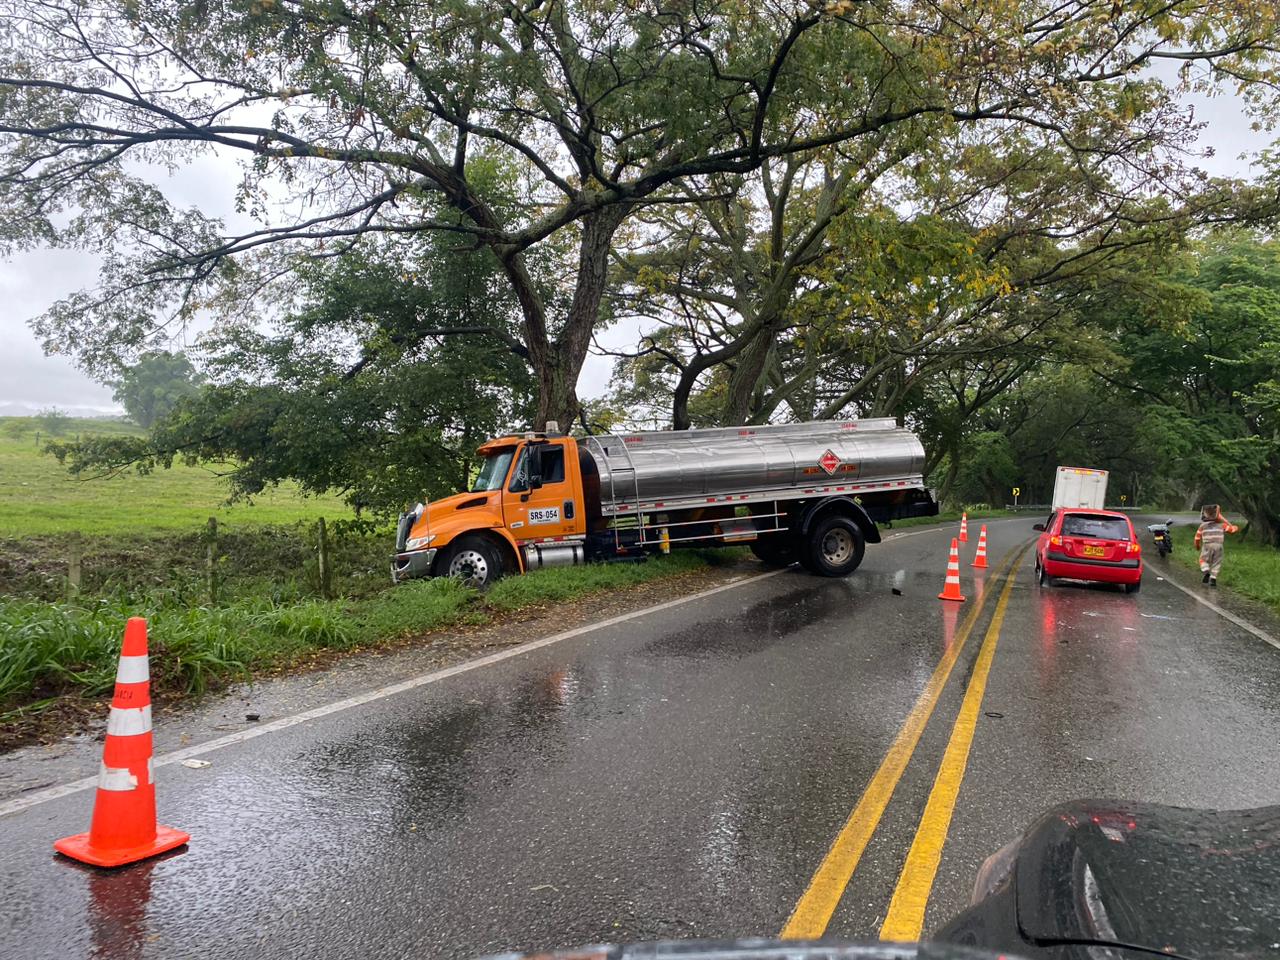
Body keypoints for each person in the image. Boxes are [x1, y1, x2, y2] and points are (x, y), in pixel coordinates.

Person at [1194, 504, 1239, 587]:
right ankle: (1213, 578)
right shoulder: (1222, 525)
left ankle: (1206, 571)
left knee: (1203, 560)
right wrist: (1235, 527)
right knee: (1217, 562)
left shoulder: (1202, 526)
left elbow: (1197, 538)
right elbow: (1232, 530)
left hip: (1207, 545)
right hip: (1219, 545)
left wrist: (1197, 546)